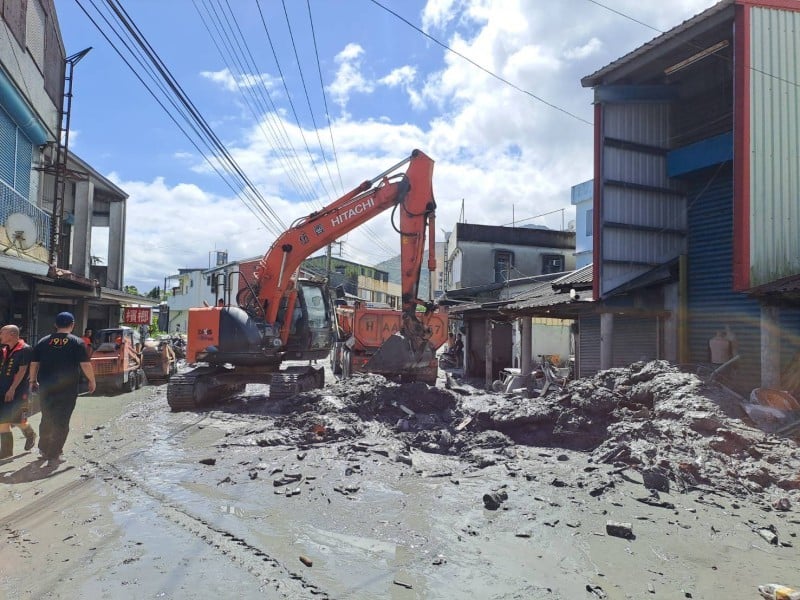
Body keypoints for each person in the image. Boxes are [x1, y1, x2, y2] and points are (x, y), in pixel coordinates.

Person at [28, 312, 96, 462]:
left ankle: (43, 449)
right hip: (67, 389)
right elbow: (85, 364)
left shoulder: (43, 341)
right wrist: (92, 380)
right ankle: (54, 453)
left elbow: (34, 364)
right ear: (72, 325)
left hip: (46, 387)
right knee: (62, 420)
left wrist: (32, 381)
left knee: (47, 417)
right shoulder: (77, 342)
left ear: (55, 325)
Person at [0, 325, 33, 458]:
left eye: (2, 333)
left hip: (19, 391)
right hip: (3, 389)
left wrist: (12, 389)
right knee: (3, 420)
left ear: (12, 334)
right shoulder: (4, 349)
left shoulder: (25, 349)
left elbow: (22, 370)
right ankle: (6, 452)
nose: (0, 335)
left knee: (19, 419)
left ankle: (30, 434)